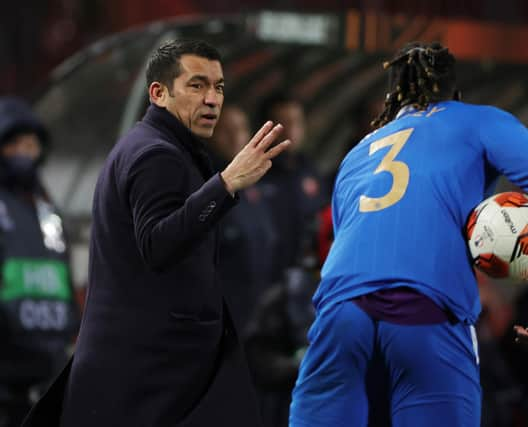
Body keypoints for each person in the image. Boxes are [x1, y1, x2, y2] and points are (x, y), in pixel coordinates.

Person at [289, 42, 528, 426]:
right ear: (454, 93)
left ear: (390, 100)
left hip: (338, 316)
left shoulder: (357, 153)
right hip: (424, 309)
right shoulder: (476, 121)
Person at [22, 39, 290, 427]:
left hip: (153, 370)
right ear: (158, 93)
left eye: (218, 87)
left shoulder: (158, 146)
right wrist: (227, 183)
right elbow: (158, 244)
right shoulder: (156, 156)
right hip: (154, 375)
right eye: (197, 85)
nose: (212, 98)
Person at [0, 97, 78, 427]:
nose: (25, 153)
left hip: (49, 371)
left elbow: (64, 275)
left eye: (32, 145)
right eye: (15, 143)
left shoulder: (48, 210)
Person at [204, 104, 278, 334]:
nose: (236, 137)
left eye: (241, 129)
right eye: (226, 130)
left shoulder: (256, 187)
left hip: (258, 317)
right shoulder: (204, 187)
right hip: (219, 320)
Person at [257, 93, 328, 283]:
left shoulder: (310, 172)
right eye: (283, 124)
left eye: (296, 122)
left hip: (308, 279)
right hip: (266, 280)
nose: (291, 130)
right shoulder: (255, 173)